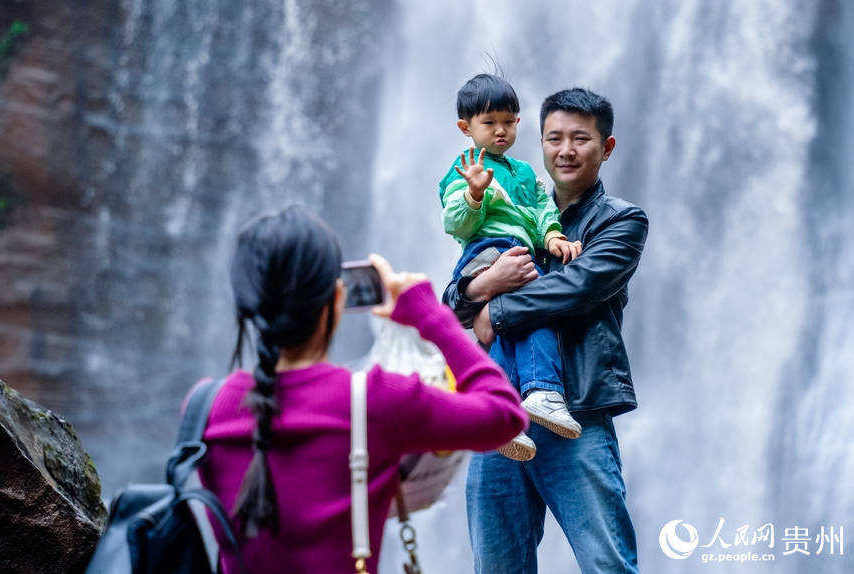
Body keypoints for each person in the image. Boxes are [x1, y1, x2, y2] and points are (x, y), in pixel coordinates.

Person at [191, 206, 527, 574]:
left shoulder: (204, 407)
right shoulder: (375, 401)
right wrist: (428, 313)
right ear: (336, 299)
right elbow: (505, 414)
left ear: (246, 305)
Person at [443, 88, 648, 573]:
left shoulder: (620, 222)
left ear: (608, 146)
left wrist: (494, 309)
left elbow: (575, 288)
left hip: (576, 416)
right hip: (501, 424)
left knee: (607, 565)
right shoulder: (507, 211)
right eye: (554, 138)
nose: (566, 149)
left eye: (581, 138)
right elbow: (452, 306)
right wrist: (479, 290)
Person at [439, 73, 584, 461]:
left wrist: (552, 236)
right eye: (489, 123)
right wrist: (474, 192)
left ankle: (496, 413)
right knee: (535, 310)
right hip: (490, 251)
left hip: (521, 251)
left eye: (508, 121)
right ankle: (542, 390)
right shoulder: (467, 168)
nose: (500, 131)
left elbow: (543, 209)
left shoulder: (525, 174)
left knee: (508, 325)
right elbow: (457, 225)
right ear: (465, 128)